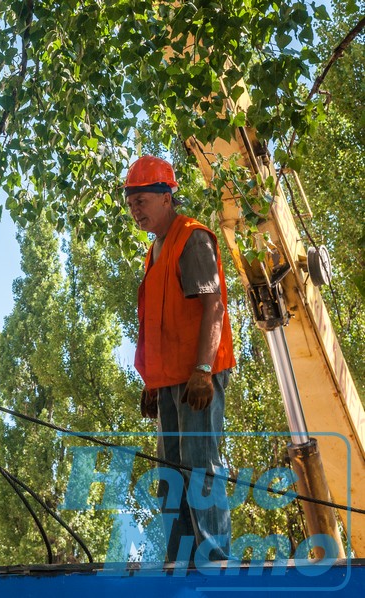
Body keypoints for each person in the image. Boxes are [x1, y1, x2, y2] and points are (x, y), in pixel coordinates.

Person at [125, 155, 236, 563]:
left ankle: (213, 561)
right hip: (169, 380)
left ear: (166, 197)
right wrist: (152, 382)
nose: (135, 210)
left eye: (142, 201)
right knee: (171, 471)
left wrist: (204, 370)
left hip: (196, 379)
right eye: (131, 202)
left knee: (200, 466)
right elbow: (159, 322)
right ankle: (179, 562)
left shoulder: (191, 238)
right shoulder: (155, 251)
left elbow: (214, 306)